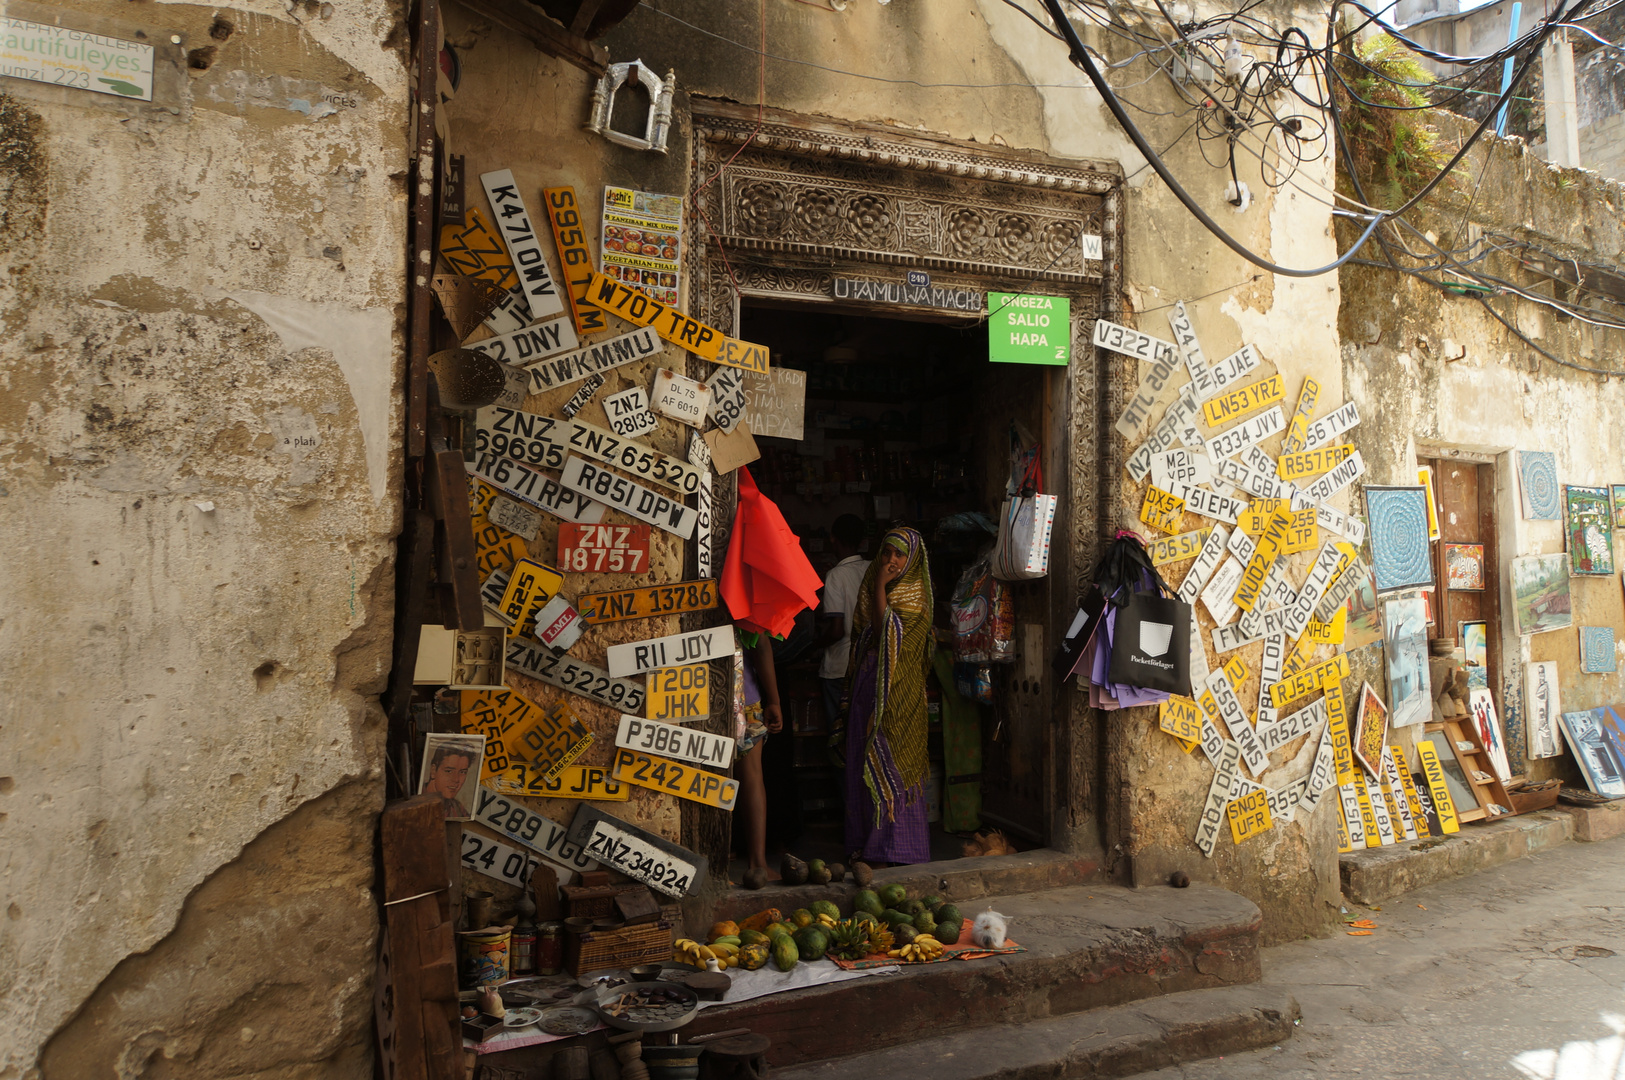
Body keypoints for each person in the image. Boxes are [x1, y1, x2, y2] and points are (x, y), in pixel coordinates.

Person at [841, 526, 934, 866]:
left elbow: (884, 635)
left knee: (895, 766)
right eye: (887, 553)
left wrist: (880, 585)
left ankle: (897, 851)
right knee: (863, 765)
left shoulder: (917, 600)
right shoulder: (873, 590)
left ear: (912, 560)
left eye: (900, 554)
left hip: (899, 700)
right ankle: (866, 845)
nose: (892, 561)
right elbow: (863, 636)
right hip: (869, 692)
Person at [736, 629, 782, 890]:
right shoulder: (740, 595)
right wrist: (774, 700)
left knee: (705, 780)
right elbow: (761, 645)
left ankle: (711, 866)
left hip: (694, 696)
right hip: (745, 696)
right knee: (752, 777)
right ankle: (758, 864)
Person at [816, 515, 869, 733]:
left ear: (832, 539)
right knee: (865, 732)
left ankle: (843, 768)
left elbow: (837, 631)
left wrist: (814, 644)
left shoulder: (836, 575)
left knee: (840, 736)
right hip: (869, 663)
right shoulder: (874, 569)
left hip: (840, 667)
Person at [423, 741, 475, 819]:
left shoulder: (457, 809)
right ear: (433, 770)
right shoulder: (416, 801)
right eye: (449, 771)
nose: (456, 779)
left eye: (462, 772)